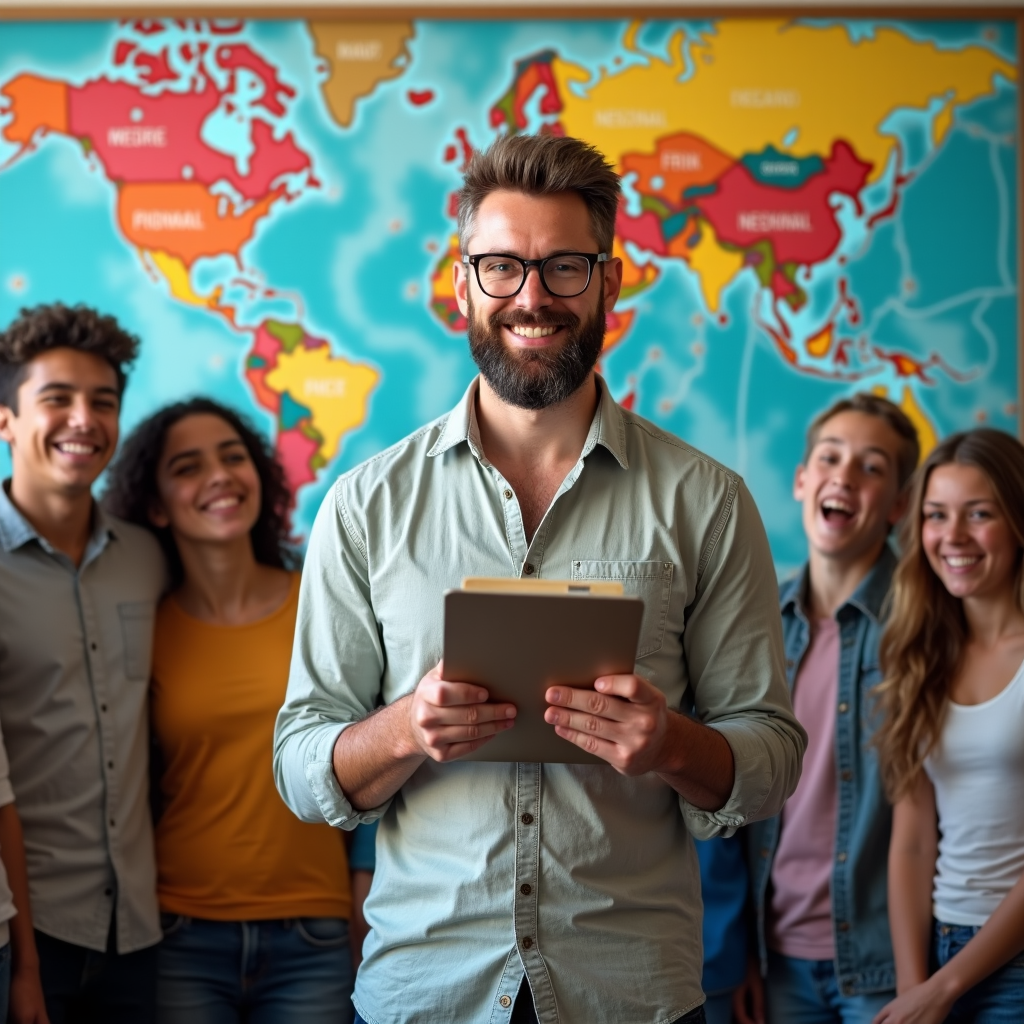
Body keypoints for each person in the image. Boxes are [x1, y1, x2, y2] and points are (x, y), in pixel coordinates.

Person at [274, 132, 805, 1024]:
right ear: (461, 284)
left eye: (564, 267)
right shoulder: (364, 505)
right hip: (426, 993)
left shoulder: (708, 502)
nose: (532, 297)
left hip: (630, 994)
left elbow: (771, 755)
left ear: (610, 282)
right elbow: (300, 763)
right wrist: (406, 728)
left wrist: (670, 744)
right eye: (502, 268)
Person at [103, 398, 361, 1023]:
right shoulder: (145, 629)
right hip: (182, 932)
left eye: (232, 457)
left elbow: (372, 759)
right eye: (188, 467)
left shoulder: (321, 605)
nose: (219, 475)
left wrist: (363, 908)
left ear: (260, 478)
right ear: (156, 505)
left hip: (319, 933)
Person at [0, 303, 165, 1023]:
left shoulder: (149, 560)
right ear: (4, 419)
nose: (83, 420)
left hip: (143, 930)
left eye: (103, 402)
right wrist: (23, 965)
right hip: (24, 935)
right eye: (56, 399)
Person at [736, 393, 920, 1024]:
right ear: (802, 480)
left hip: (884, 962)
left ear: (898, 504)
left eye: (871, 467)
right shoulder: (755, 622)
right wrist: (743, 958)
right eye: (830, 458)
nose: (844, 476)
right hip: (777, 959)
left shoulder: (924, 626)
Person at [872, 428, 1024, 1024]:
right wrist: (918, 985)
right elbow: (911, 840)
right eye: (936, 515)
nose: (952, 537)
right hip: (939, 950)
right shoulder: (918, 653)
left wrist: (944, 988)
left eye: (978, 514)